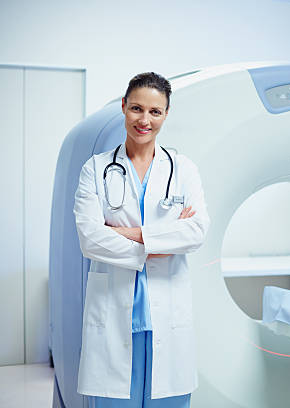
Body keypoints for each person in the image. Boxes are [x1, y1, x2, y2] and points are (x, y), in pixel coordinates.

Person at [73, 72, 210, 407]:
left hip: (168, 315)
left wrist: (127, 234)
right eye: (136, 108)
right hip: (114, 315)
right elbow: (90, 238)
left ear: (165, 115)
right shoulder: (96, 168)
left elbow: (197, 231)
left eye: (155, 112)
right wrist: (160, 243)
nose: (144, 120)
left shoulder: (183, 169)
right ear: (123, 107)